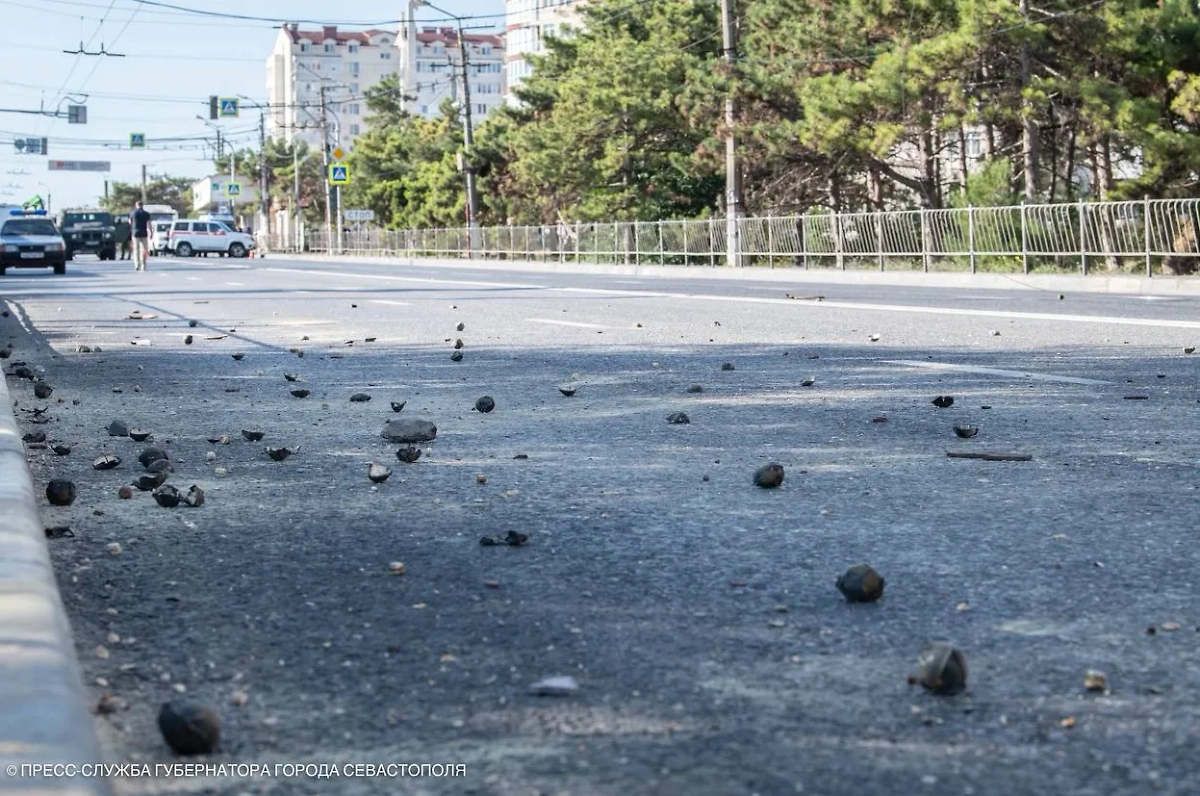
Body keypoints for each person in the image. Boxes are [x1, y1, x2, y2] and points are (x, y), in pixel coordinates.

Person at [130, 200, 152, 271]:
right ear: (142, 205)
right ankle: (143, 264)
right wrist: (151, 232)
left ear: (136, 205)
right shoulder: (146, 214)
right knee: (144, 250)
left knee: (136, 250)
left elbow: (130, 222)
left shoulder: (133, 213)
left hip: (135, 233)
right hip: (144, 233)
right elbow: (149, 224)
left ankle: (137, 264)